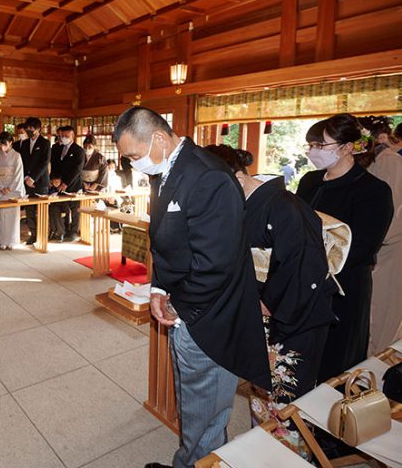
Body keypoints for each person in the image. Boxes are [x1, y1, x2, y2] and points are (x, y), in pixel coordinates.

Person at [114, 107, 270, 468]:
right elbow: (167, 239)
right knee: (197, 404)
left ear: (158, 138)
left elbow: (215, 263)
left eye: (134, 156)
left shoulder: (208, 177)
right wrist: (158, 287)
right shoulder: (167, 169)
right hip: (185, 302)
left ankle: (193, 463)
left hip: (209, 316)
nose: (134, 165)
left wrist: (178, 305)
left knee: (204, 406)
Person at [206, 144, 337, 455]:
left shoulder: (284, 206)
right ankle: (263, 454)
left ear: (233, 178)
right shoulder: (248, 205)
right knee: (263, 392)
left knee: (286, 399)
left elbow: (305, 267)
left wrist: (269, 304)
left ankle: (288, 458)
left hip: (292, 315)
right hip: (260, 309)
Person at [296, 114, 393, 381]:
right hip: (302, 279)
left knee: (336, 361)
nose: (313, 151)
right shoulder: (309, 181)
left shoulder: (373, 190)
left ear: (347, 147)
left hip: (344, 285)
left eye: (320, 145)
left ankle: (327, 419)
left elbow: (363, 246)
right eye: (310, 145)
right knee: (298, 358)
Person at [357, 116, 402, 354]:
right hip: (368, 247)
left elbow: (395, 212)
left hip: (387, 250)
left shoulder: (392, 162)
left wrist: (371, 240)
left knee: (382, 312)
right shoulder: (363, 162)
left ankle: (371, 376)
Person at [48, 126, 84, 242]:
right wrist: (53, 179)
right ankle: (62, 231)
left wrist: (66, 183)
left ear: (73, 136)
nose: (64, 138)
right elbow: (54, 165)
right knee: (59, 207)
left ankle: (73, 232)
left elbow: (77, 169)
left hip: (73, 185)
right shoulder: (57, 149)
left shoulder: (78, 150)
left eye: (67, 136)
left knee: (75, 210)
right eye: (62, 136)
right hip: (59, 185)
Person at [19, 117, 51, 245]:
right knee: (29, 210)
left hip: (40, 182)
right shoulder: (25, 143)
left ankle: (43, 234)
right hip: (27, 182)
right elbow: (23, 162)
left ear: (38, 129)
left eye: (32, 128)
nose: (29, 131)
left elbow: (44, 163)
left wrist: (33, 178)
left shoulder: (45, 143)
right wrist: (26, 177)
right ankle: (33, 234)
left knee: (41, 210)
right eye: (28, 128)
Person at [0, 131, 25, 250]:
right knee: (2, 215)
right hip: (1, 189)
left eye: (5, 144)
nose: (2, 146)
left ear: (11, 143)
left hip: (13, 190)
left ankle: (12, 240)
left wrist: (10, 188)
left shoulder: (17, 156)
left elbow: (18, 174)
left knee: (12, 215)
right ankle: (1, 240)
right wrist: (1, 187)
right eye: (1, 144)